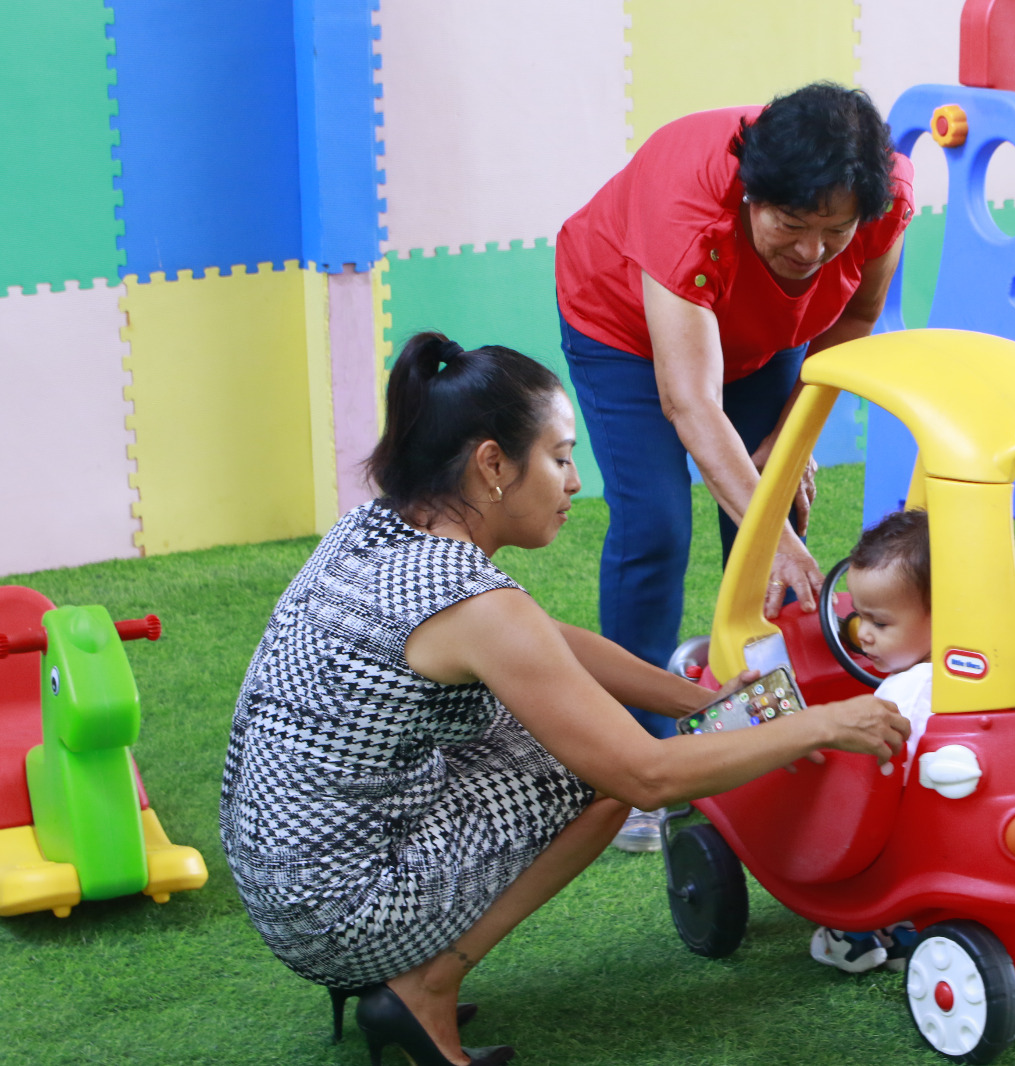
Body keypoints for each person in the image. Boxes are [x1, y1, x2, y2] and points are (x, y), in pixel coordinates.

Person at [218, 332, 910, 1066]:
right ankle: (424, 984)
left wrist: (693, 699)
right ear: (492, 465)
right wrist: (824, 724)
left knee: (559, 730)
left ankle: (406, 973)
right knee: (599, 778)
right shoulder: (471, 602)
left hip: (279, 869)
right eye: (559, 456)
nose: (576, 480)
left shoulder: (378, 527)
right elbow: (645, 776)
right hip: (336, 908)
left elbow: (549, 642)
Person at [554, 83, 915, 854]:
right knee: (657, 524)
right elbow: (690, 404)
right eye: (792, 224)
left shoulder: (884, 197)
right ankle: (635, 763)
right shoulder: (687, 204)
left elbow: (854, 317)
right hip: (626, 328)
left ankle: (757, 729)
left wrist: (793, 438)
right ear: (752, 194)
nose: (814, 250)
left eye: (835, 231)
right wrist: (771, 526)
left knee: (765, 516)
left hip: (768, 331)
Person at [809, 509, 933, 974]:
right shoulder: (987, 672)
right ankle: (905, 930)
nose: (861, 633)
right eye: (858, 616)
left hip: (893, 842)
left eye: (879, 623)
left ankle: (851, 933)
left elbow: (872, 775)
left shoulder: (902, 692)